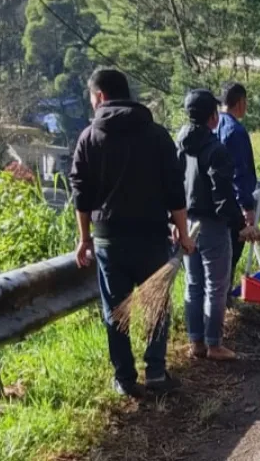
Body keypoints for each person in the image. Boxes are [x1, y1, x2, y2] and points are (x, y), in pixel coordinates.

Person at [72, 69, 193, 399]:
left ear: (100, 97)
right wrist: (183, 234)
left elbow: (81, 195)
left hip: (109, 239)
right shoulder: (156, 134)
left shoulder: (88, 138)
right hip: (152, 237)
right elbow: (174, 191)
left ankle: (125, 378)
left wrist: (84, 240)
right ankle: (155, 371)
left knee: (116, 311)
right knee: (155, 305)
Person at [178, 90, 251, 361]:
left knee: (193, 283)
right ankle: (214, 344)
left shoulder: (180, 144)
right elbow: (223, 196)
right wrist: (240, 224)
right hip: (212, 225)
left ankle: (195, 343)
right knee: (216, 285)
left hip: (187, 221)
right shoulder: (216, 150)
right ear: (213, 117)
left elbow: (174, 186)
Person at [217, 83, 257, 279]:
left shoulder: (212, 125)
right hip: (233, 205)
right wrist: (247, 208)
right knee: (231, 254)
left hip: (212, 204)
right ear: (240, 102)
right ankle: (224, 301)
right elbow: (239, 173)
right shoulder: (236, 131)